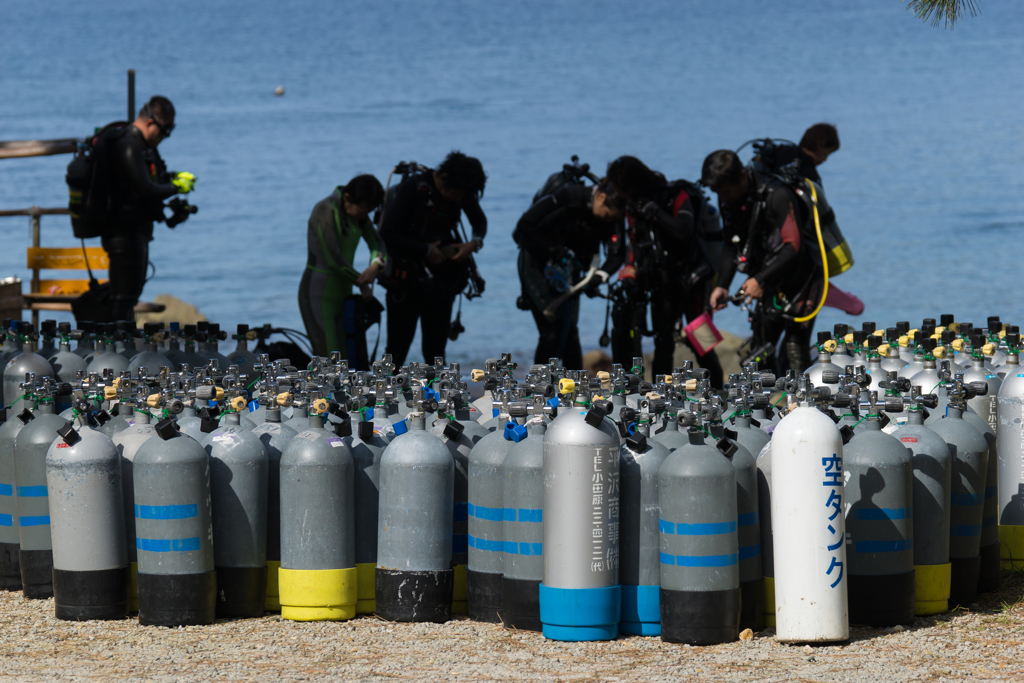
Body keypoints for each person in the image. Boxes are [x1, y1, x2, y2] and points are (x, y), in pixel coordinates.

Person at [605, 156, 724, 386]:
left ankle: (719, 392)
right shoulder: (634, 205)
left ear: (631, 185)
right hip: (661, 282)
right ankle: (660, 398)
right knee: (662, 342)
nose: (621, 196)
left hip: (692, 279)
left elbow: (684, 231)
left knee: (701, 342)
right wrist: (630, 267)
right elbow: (634, 242)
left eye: (621, 190)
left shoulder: (677, 195)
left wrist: (656, 213)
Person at [703, 149, 823, 375]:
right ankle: (769, 405)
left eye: (726, 191)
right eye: (718, 192)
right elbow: (730, 244)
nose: (724, 197)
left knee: (794, 350)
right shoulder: (728, 199)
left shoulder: (777, 195)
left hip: (802, 278)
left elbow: (793, 246)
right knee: (761, 351)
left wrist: (759, 279)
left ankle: (802, 404)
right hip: (767, 280)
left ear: (741, 176)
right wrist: (722, 285)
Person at [378, 151, 487, 367]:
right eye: (456, 194)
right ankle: (385, 399)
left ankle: (436, 398)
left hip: (442, 283)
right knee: (396, 352)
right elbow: (387, 233)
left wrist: (473, 244)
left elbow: (480, 223)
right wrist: (425, 250)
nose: (458, 199)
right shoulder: (414, 188)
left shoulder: (461, 189)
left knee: (436, 353)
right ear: (444, 178)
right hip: (405, 281)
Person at [514, 177, 625, 369]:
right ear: (600, 197)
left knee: (571, 333)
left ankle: (574, 391)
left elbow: (617, 255)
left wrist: (598, 277)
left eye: (612, 218)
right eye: (607, 216)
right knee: (552, 330)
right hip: (536, 265)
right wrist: (554, 249)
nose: (608, 221)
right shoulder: (569, 198)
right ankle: (540, 389)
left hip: (569, 271)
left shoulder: (614, 215)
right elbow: (524, 224)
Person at [105, 95, 195, 321]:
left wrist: (173, 179)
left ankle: (122, 349)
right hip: (122, 233)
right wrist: (176, 187)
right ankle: (115, 350)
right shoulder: (128, 146)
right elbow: (145, 189)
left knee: (130, 298)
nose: (166, 137)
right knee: (123, 299)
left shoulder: (144, 147)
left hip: (138, 232)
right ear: (149, 122)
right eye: (164, 130)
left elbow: (153, 182)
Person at [298, 174, 386, 359]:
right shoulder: (325, 210)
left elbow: (377, 244)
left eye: (370, 209)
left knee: (347, 362)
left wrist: (375, 265)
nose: (367, 214)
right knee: (328, 361)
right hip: (318, 295)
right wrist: (362, 283)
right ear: (347, 198)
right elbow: (333, 259)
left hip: (344, 295)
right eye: (365, 209)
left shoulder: (358, 215)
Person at [770, 123, 840, 186]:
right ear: (819, 147)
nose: (825, 159)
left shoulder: (779, 151)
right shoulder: (810, 177)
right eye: (826, 154)